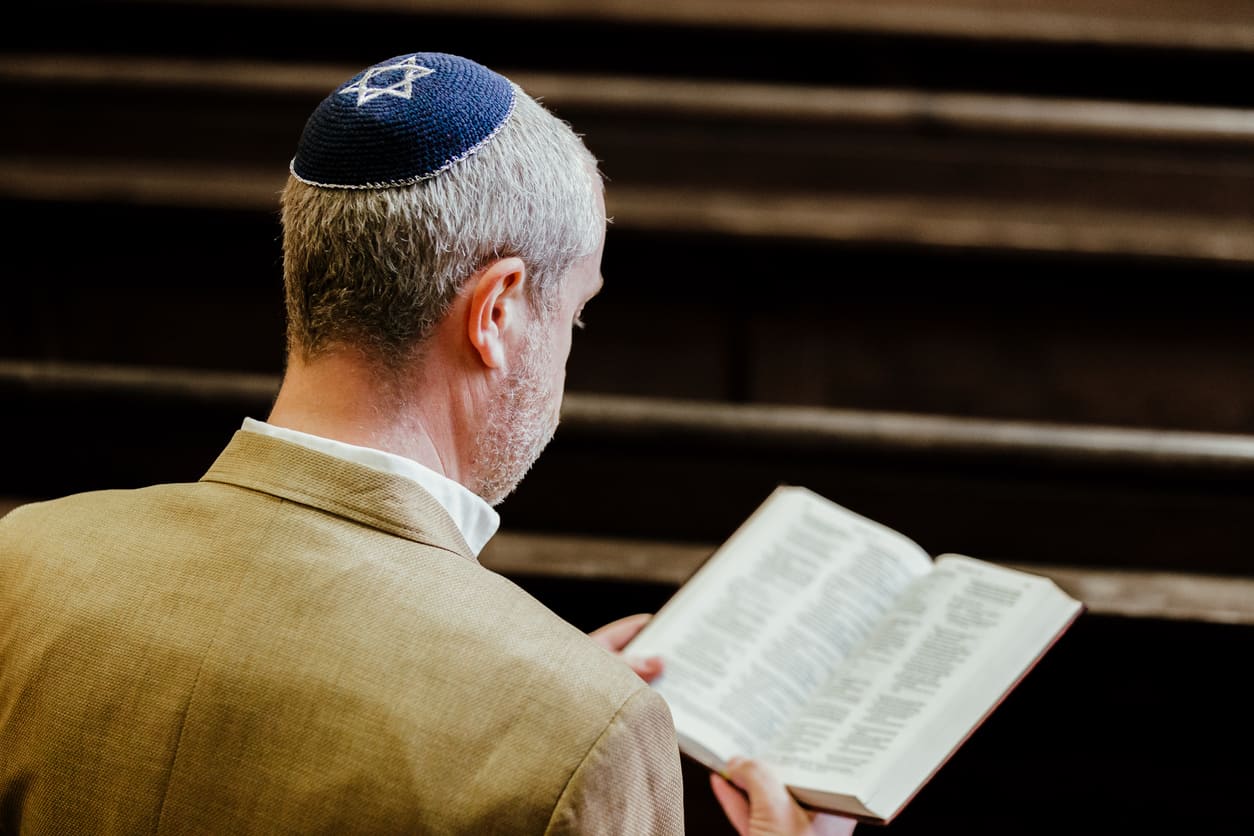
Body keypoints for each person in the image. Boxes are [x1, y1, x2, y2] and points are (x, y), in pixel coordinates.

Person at [0, 52, 854, 835]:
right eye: (575, 314)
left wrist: (533, 702)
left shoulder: (20, 561)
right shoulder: (586, 737)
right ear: (498, 311)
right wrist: (555, 724)